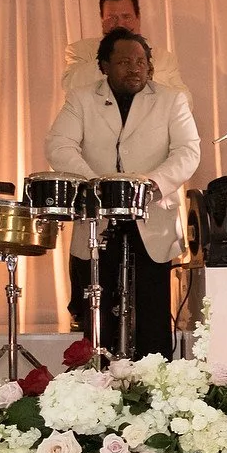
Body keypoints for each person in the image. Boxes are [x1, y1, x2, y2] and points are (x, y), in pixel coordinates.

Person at [46, 30, 199, 358]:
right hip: (98, 218)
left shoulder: (172, 99)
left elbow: (188, 151)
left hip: (152, 213)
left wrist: (153, 184)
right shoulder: (81, 98)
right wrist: (97, 184)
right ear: (104, 66)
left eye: (141, 62)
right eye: (125, 62)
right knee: (96, 313)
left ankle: (154, 388)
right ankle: (97, 384)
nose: (135, 68)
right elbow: (59, 145)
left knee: (153, 317)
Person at [62, 0, 188, 97]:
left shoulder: (164, 58)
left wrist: (146, 72)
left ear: (138, 18)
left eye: (126, 17)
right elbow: (71, 87)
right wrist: (111, 57)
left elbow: (185, 101)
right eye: (112, 18)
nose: (120, 24)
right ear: (102, 19)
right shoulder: (79, 50)